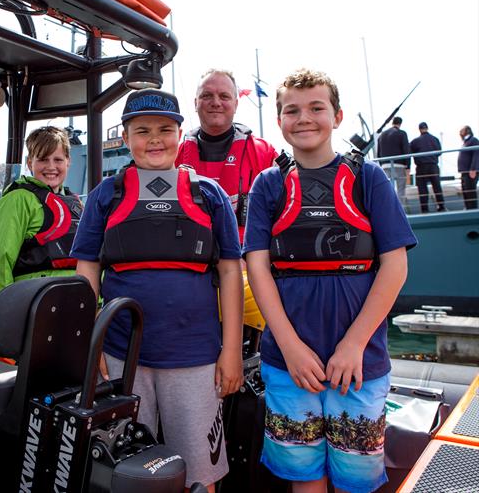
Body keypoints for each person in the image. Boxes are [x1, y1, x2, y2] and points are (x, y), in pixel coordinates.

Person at [243, 69, 416, 493]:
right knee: (304, 477)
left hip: (360, 364)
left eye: (317, 108)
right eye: (291, 110)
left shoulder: (368, 179)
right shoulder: (268, 185)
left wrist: (354, 345)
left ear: (337, 116)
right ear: (280, 120)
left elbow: (394, 267)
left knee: (358, 480)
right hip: (289, 365)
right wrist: (290, 347)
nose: (304, 118)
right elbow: (258, 268)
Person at [72, 89, 244, 491]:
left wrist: (232, 350)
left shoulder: (210, 195)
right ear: (126, 137)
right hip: (121, 359)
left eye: (165, 129)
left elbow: (231, 272)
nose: (154, 139)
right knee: (126, 471)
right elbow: (87, 270)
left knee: (200, 474)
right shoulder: (106, 195)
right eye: (142, 130)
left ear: (181, 135)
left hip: (197, 359)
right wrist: (88, 344)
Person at [174, 68, 277, 341]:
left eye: (224, 96)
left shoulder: (263, 153)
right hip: (189, 271)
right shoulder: (174, 156)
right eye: (206, 95)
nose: (215, 102)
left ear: (235, 102)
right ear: (195, 102)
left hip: (247, 271)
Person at [0, 126, 83, 303]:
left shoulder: (77, 204)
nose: (51, 167)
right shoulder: (18, 199)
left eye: (58, 159)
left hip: (79, 303)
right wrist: (7, 311)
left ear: (68, 162)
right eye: (43, 159)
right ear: (30, 163)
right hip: (35, 304)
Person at [410, 122, 446, 212]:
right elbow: (439, 152)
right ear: (427, 128)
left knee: (422, 189)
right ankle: (441, 206)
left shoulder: (415, 141)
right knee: (437, 187)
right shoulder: (435, 139)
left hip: (421, 167)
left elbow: (410, 152)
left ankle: (424, 209)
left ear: (419, 129)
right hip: (433, 166)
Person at [376, 116, 411, 207]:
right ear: (400, 123)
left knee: (388, 189)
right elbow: (406, 149)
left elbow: (378, 152)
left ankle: (389, 209)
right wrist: (408, 166)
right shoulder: (402, 134)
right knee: (400, 188)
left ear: (392, 122)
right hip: (399, 164)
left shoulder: (382, 135)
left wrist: (381, 164)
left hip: (385, 165)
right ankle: (400, 209)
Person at [458, 125, 479, 209]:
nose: (460, 133)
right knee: (465, 191)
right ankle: (468, 208)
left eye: (462, 131)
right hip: (464, 172)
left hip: (470, 171)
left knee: (470, 191)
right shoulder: (465, 142)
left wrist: (473, 169)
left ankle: (472, 209)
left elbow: (476, 154)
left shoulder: (473, 140)